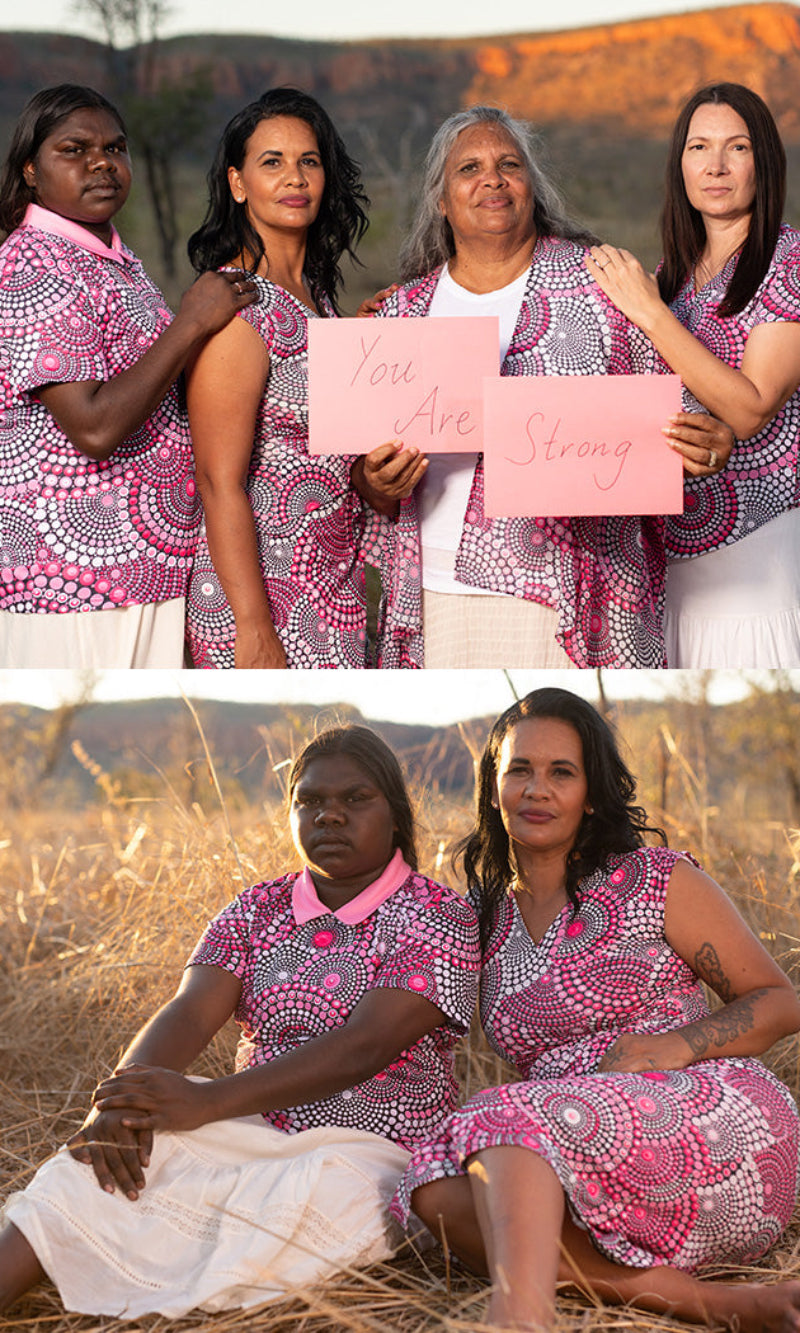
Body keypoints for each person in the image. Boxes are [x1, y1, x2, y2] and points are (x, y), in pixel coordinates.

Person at [0, 725, 480, 1319]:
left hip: (377, 1148)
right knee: (89, 1165)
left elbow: (365, 1045)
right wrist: (119, 1104)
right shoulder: (255, 909)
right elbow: (191, 1010)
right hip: (247, 1121)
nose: (329, 817)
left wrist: (205, 1103)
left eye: (355, 800)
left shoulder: (437, 914)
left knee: (308, 1202)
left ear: (395, 814)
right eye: (309, 801)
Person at [392, 687, 800, 1332]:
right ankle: (697, 1302)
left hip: (710, 1115)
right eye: (519, 770)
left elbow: (778, 1000)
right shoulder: (479, 918)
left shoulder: (655, 878)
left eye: (562, 772)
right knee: (432, 1195)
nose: (537, 789)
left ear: (592, 791)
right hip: (576, 1144)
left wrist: (676, 1046)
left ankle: (518, 1320)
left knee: (493, 1116)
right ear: (493, 786)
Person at [354, 106, 733, 669]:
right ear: (440, 199)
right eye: (469, 169)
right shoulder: (402, 315)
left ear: (533, 187)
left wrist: (705, 443)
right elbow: (364, 478)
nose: (492, 179)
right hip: (432, 594)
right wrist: (376, 480)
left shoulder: (604, 288)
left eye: (509, 164)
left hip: (572, 592)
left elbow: (675, 417)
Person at [0, 84, 255, 668]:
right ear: (31, 172)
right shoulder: (35, 261)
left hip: (140, 569)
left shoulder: (109, 256)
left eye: (116, 148)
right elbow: (92, 426)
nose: (102, 163)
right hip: (69, 582)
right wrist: (190, 322)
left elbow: (156, 384)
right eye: (75, 149)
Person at [184, 89, 423, 669]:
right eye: (273, 161)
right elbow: (218, 481)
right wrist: (253, 626)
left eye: (308, 161)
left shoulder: (319, 304)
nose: (295, 177)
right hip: (262, 598)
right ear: (238, 183)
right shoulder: (237, 307)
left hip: (329, 589)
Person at [588, 83, 800, 667]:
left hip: (754, 553)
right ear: (679, 163)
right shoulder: (672, 275)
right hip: (671, 556)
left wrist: (649, 312)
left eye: (737, 148)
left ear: (765, 162)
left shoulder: (789, 260)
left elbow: (752, 407)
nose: (715, 165)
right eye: (698, 147)